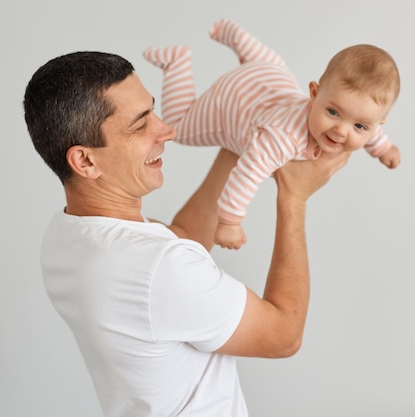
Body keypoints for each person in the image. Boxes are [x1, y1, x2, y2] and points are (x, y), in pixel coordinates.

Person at [23, 50, 348, 417]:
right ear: (84, 160)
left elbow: (181, 237)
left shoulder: (66, 235)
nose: (167, 130)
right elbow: (285, 335)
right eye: (140, 124)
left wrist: (238, 141)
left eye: (153, 110)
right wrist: (294, 198)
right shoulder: (159, 268)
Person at [144, 18, 401, 250]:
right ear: (314, 93)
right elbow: (247, 172)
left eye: (360, 127)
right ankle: (176, 63)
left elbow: (370, 127)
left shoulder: (361, 121)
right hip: (232, 102)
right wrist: (230, 222)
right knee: (179, 127)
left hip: (271, 77)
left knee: (271, 63)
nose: (341, 131)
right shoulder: (282, 137)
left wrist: (384, 149)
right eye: (333, 112)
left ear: (376, 125)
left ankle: (234, 35)